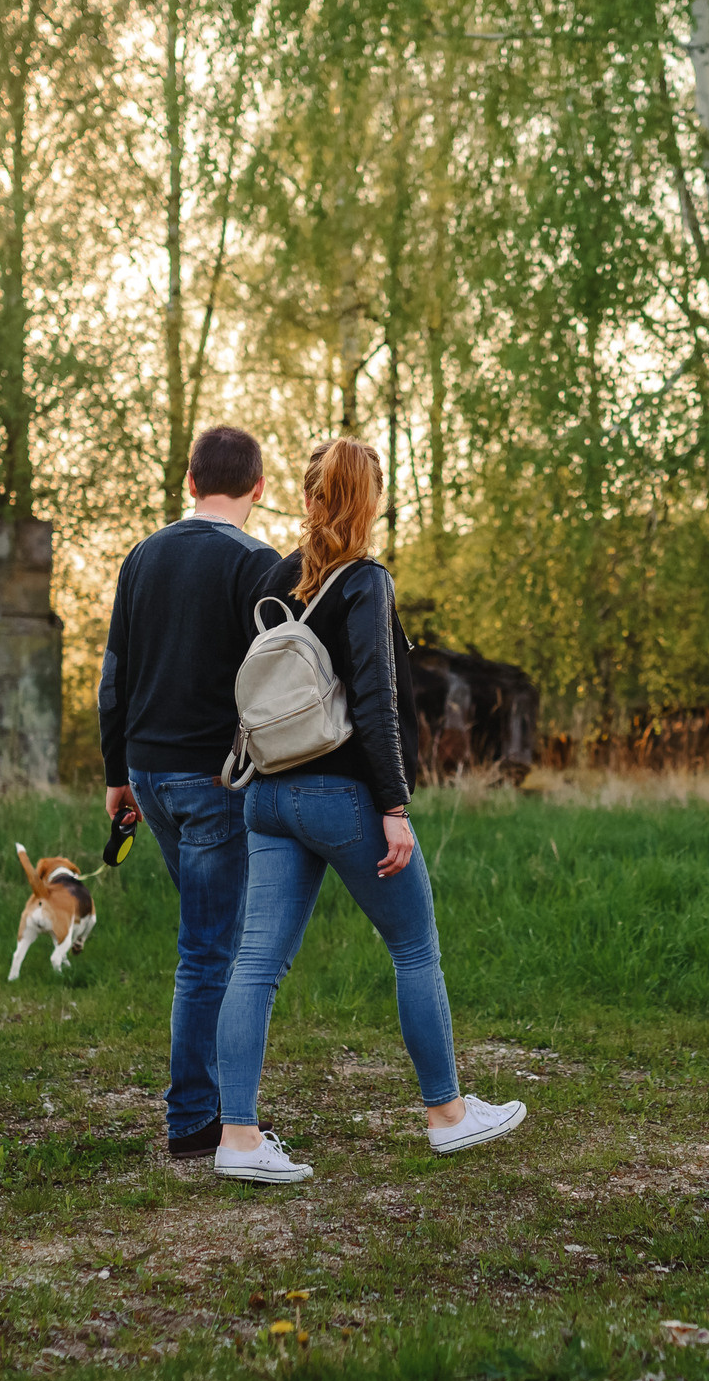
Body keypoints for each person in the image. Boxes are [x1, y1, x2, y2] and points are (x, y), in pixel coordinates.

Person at [211, 437, 526, 1184]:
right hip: (341, 795)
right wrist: (394, 806)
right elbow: (381, 702)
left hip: (267, 793)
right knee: (414, 947)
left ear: (312, 495)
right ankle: (447, 1115)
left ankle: (238, 1135)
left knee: (254, 963)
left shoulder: (273, 578)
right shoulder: (366, 582)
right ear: (368, 502)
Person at [97, 425, 283, 1161]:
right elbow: (275, 682)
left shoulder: (141, 555)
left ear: (189, 479)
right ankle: (197, 1120)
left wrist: (117, 776)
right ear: (259, 487)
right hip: (214, 780)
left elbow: (115, 676)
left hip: (149, 772)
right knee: (213, 951)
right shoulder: (257, 562)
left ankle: (210, 1104)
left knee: (213, 942)